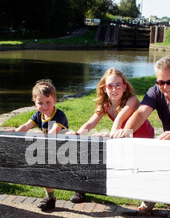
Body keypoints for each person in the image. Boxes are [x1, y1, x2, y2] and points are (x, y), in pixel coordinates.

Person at [111, 55, 170, 211]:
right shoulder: (155, 91)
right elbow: (141, 113)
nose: (165, 86)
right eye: (160, 82)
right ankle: (150, 195)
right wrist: (126, 133)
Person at [66, 67, 155, 203]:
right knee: (89, 150)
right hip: (121, 136)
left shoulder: (132, 99)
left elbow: (120, 118)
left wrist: (109, 135)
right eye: (110, 86)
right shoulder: (105, 104)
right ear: (104, 88)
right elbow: (91, 124)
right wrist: (78, 134)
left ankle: (147, 196)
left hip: (142, 138)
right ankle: (81, 188)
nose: (114, 89)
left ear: (125, 87)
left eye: (118, 85)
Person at [6, 79, 68, 211]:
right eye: (40, 103)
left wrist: (39, 135)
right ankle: (50, 197)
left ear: (54, 100)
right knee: (44, 170)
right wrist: (16, 132)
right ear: (34, 102)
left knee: (69, 173)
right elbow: (27, 126)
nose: (44, 106)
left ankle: (80, 190)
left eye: (47, 102)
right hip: (49, 150)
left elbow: (53, 132)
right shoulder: (38, 115)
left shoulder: (59, 115)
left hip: (66, 149)